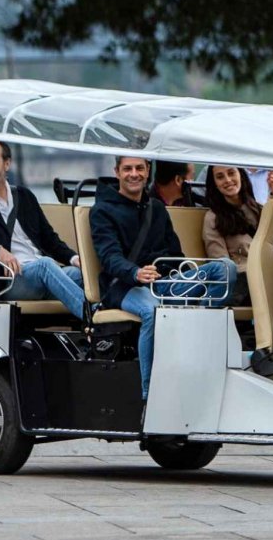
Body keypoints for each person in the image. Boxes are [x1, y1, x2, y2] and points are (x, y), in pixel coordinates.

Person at [91, 155, 235, 401]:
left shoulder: (156, 208)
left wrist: (178, 273)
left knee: (225, 269)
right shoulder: (102, 210)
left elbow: (175, 253)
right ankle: (150, 393)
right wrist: (136, 272)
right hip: (125, 286)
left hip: (165, 281)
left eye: (139, 168)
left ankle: (194, 328)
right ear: (117, 172)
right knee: (153, 310)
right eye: (127, 169)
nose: (133, 174)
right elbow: (109, 257)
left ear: (148, 171)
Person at [0, 141, 88, 319]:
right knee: (44, 266)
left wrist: (74, 258)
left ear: (7, 164)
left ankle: (114, 330)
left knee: (86, 274)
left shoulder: (25, 196)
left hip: (42, 275)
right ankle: (93, 320)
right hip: (7, 281)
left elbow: (49, 239)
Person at [202, 165, 273, 304]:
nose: (227, 180)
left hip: (270, 276)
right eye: (220, 177)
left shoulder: (258, 209)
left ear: (241, 175)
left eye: (231, 173)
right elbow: (222, 265)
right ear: (214, 184)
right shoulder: (213, 218)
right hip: (244, 281)